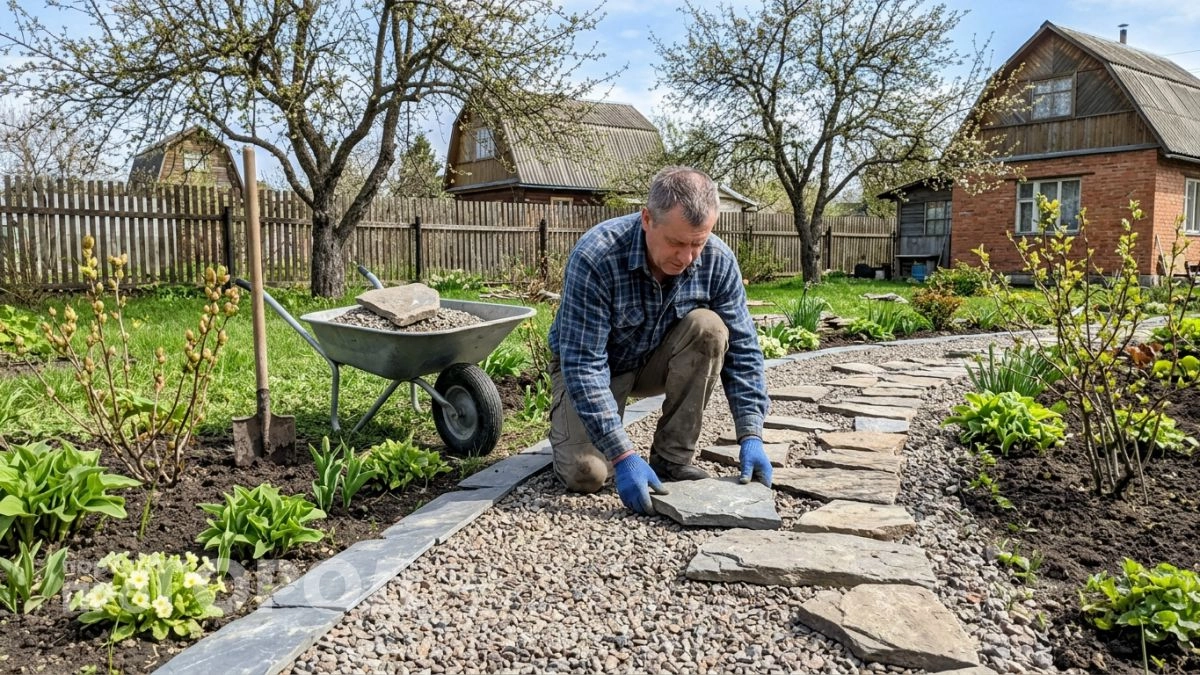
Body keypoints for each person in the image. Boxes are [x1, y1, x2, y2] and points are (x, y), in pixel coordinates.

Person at [546, 166, 772, 514]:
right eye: (677, 242)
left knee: (710, 327)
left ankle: (671, 458)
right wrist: (623, 455)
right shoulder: (597, 256)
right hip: (598, 370)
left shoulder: (718, 260)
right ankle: (580, 438)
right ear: (647, 219)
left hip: (655, 362)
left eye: (698, 243)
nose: (686, 258)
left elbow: (743, 350)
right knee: (587, 474)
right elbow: (583, 365)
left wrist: (751, 433)